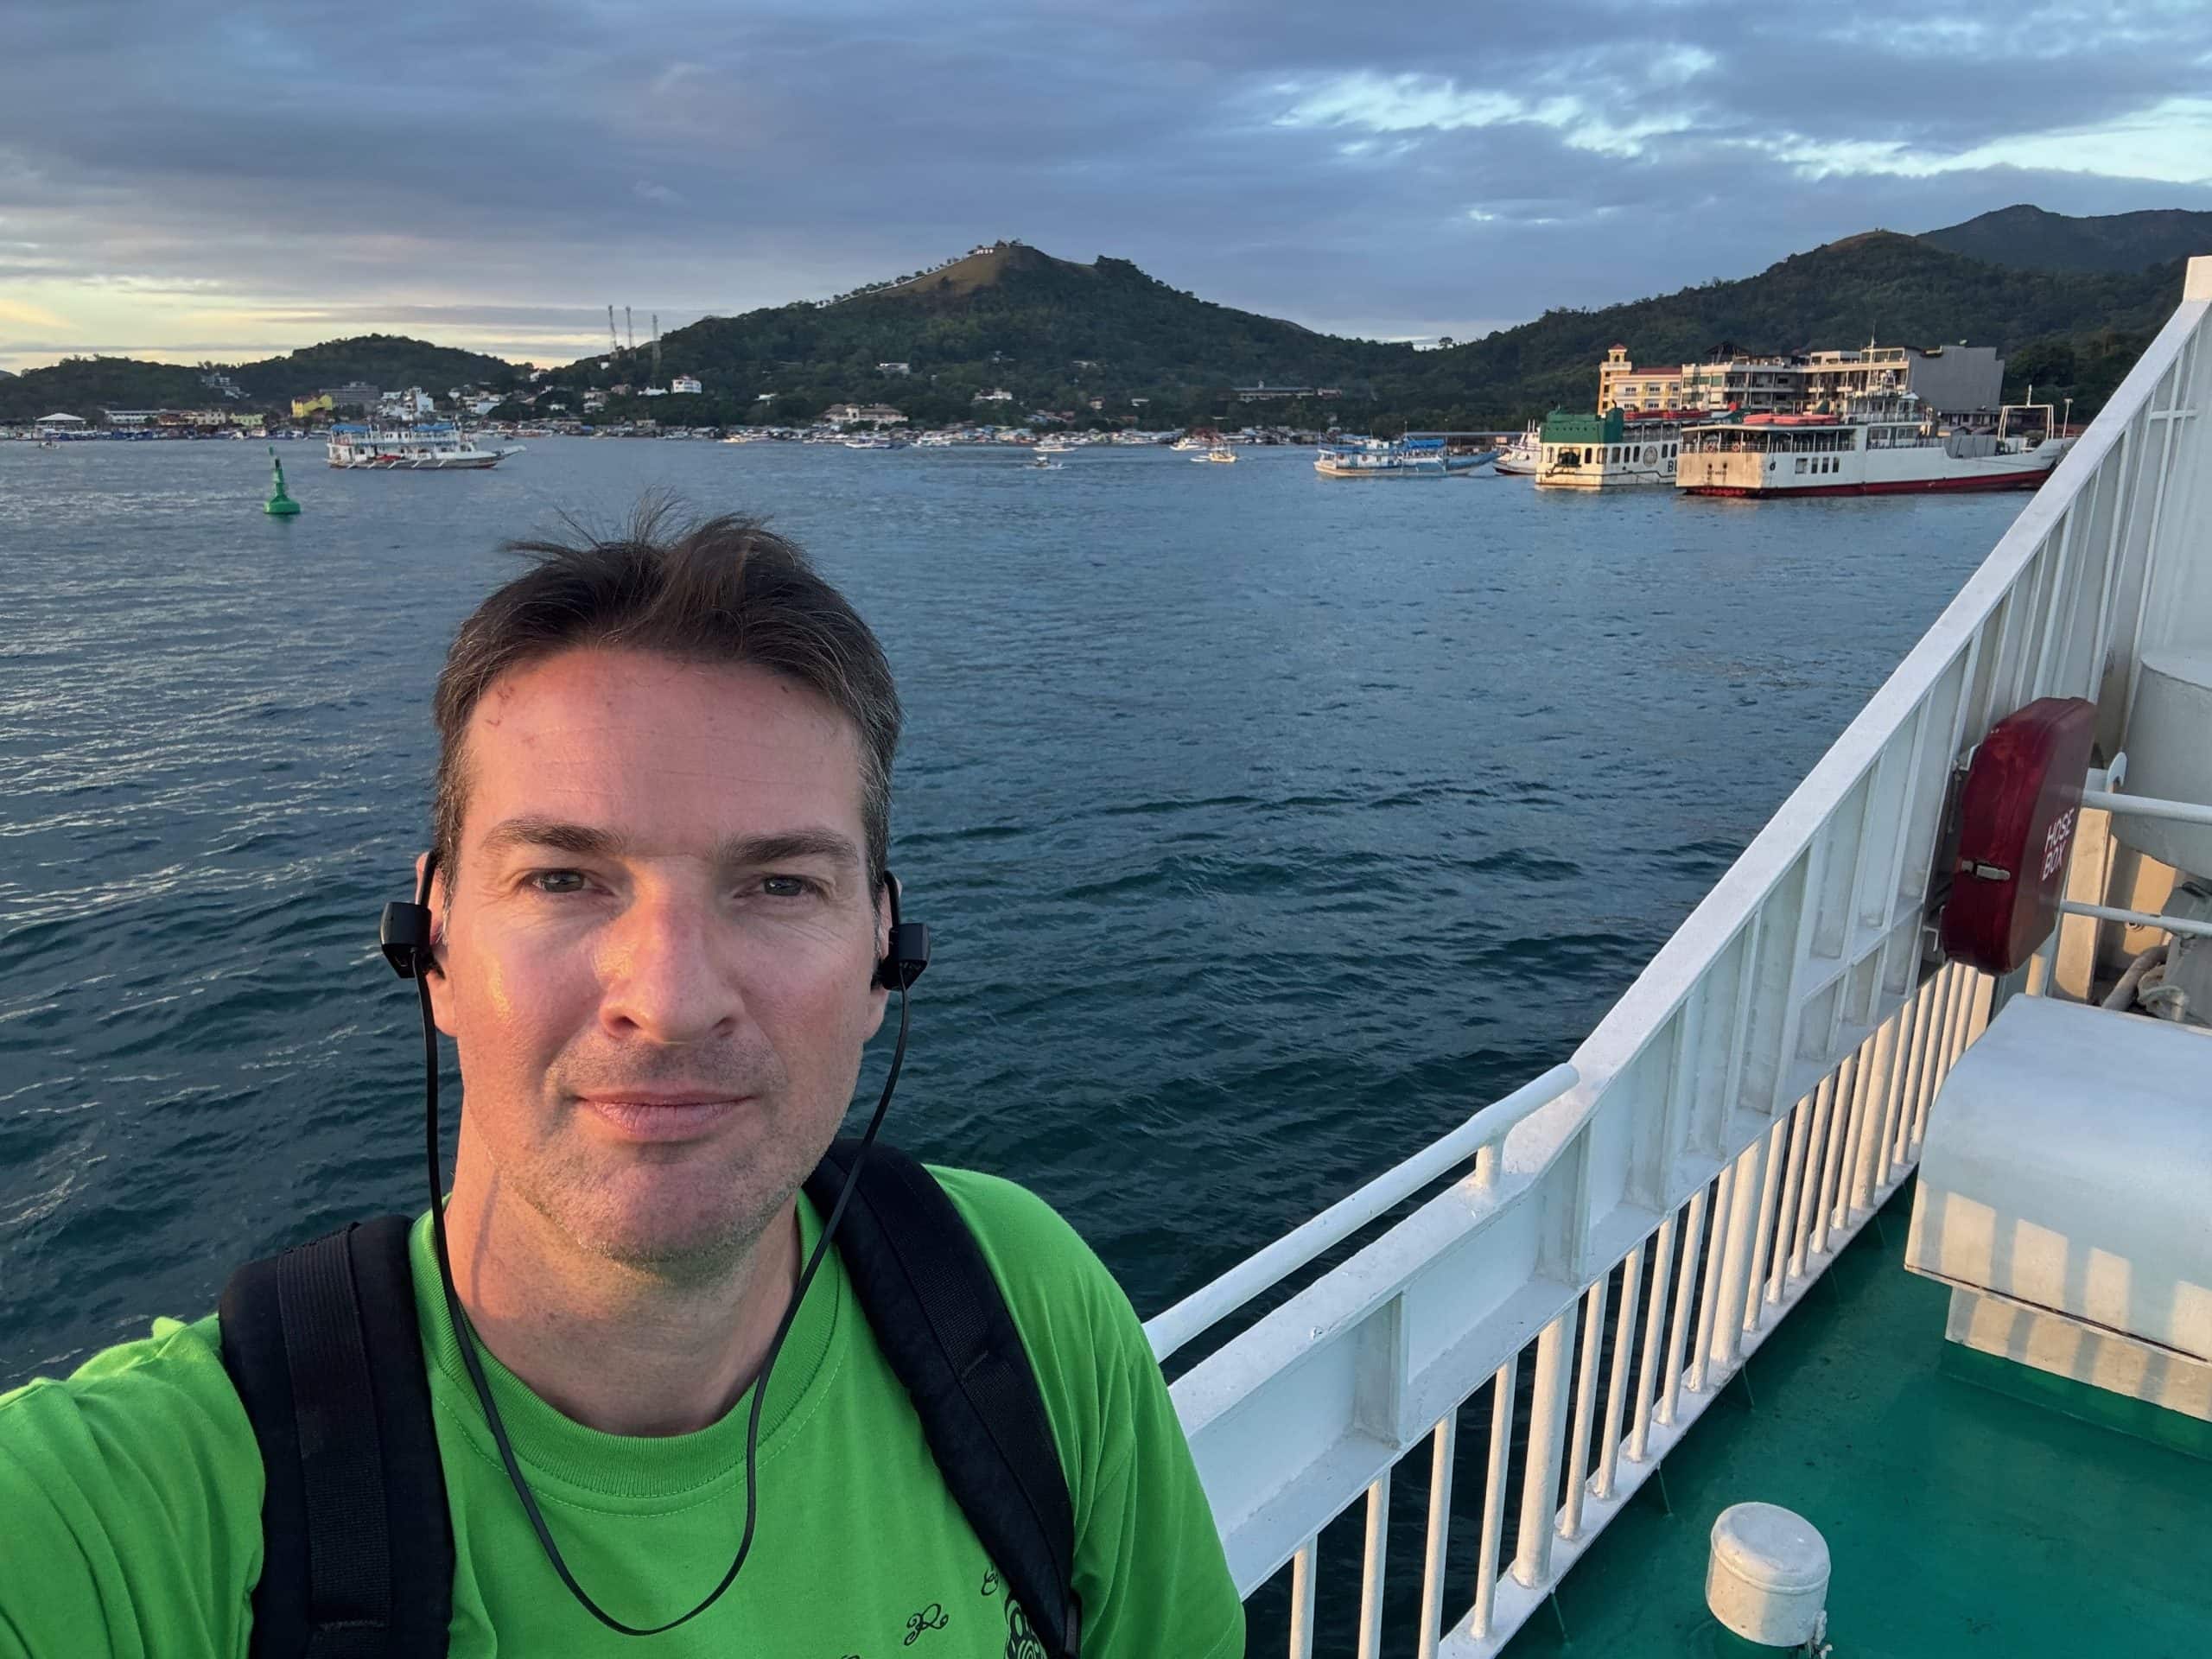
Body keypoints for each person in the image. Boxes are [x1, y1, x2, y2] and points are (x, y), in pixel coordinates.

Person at [0, 510, 1245, 1658]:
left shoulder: (1021, 1299)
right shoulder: (136, 1511)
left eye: (778, 885)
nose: (669, 995)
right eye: (563, 878)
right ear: (429, 945)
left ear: (886, 954)